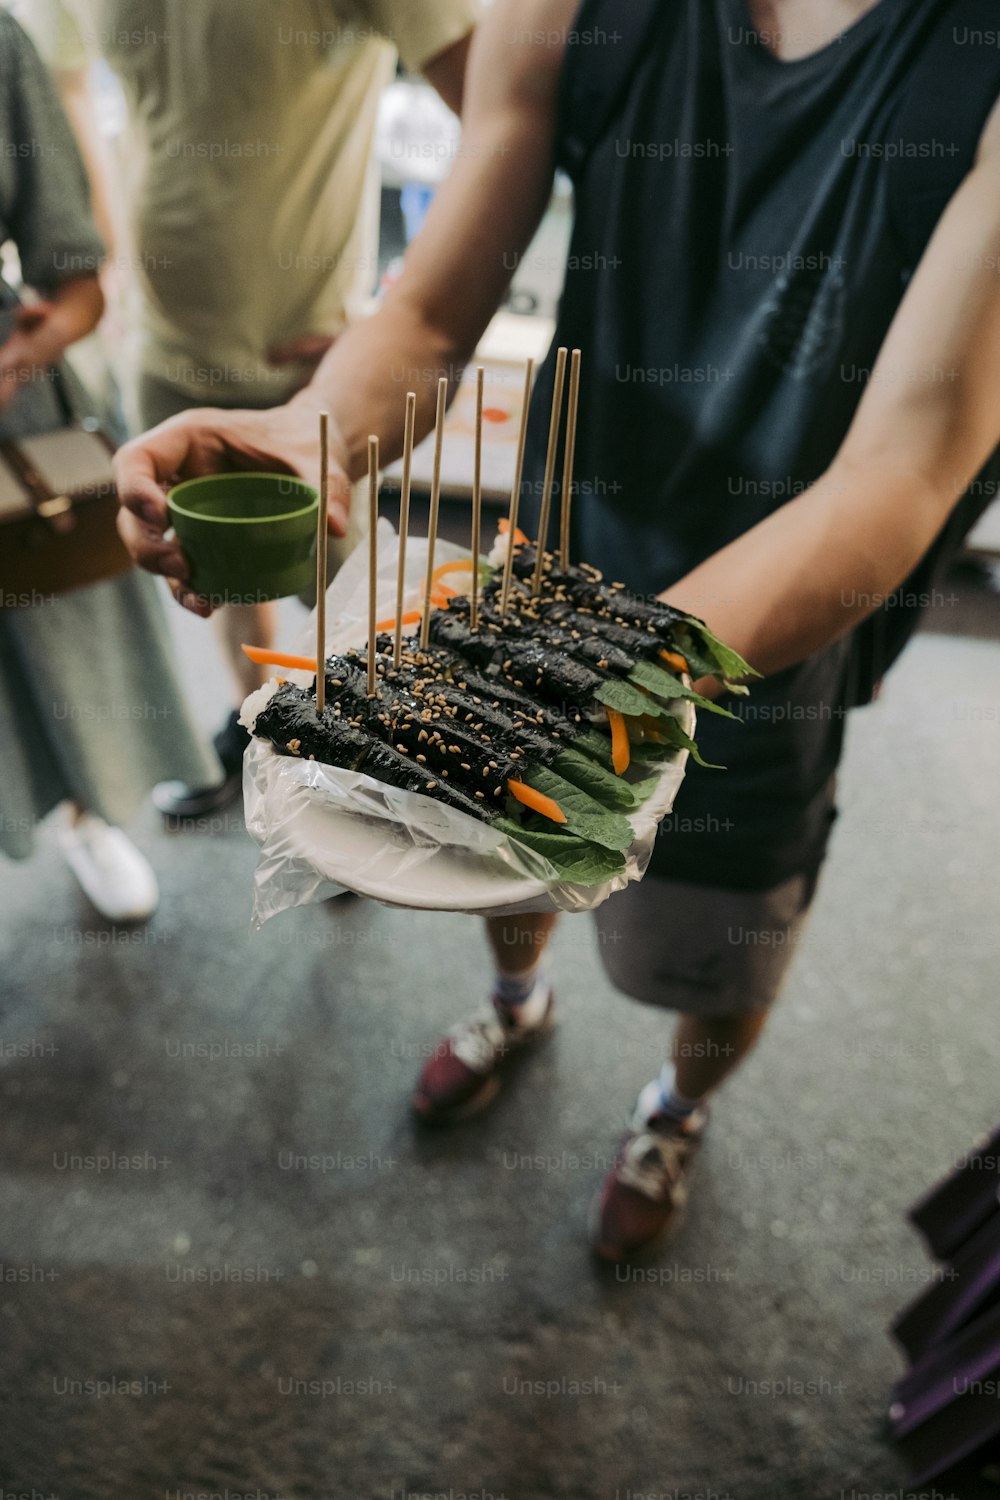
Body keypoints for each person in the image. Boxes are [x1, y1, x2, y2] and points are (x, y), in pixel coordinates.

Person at [114, 0, 1000, 1258]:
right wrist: (312, 429)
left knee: (715, 945)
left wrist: (614, 673)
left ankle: (675, 1106)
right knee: (499, 850)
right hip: (564, 539)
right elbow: (430, 316)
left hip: (775, 624)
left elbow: (904, 467)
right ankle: (515, 1003)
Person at [19, 0, 479, 820]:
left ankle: (360, 773)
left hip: (310, 361)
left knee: (350, 605)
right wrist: (100, 266)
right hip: (161, 345)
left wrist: (411, 305)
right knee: (211, 575)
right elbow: (73, 89)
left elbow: (500, 114)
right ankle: (262, 729)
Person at [0, 10, 221, 920]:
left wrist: (24, 352)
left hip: (11, 410)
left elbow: (79, 277)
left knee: (60, 620)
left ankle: (91, 812)